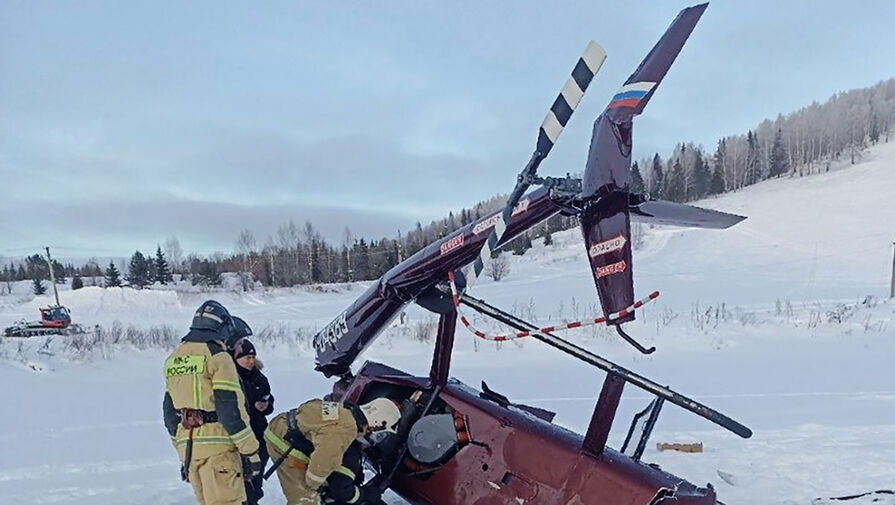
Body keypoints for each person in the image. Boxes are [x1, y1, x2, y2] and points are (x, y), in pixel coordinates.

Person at [162, 300, 263, 505]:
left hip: (190, 453)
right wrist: (251, 451)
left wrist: (182, 449)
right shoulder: (218, 357)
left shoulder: (174, 358)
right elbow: (230, 411)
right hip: (219, 452)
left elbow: (169, 413)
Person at [263, 398, 401, 505]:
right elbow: (320, 465)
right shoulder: (345, 430)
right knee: (306, 498)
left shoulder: (345, 412)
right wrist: (316, 487)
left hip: (280, 424)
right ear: (375, 424)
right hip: (283, 444)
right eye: (379, 434)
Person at [229, 322, 274, 503]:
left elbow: (270, 401)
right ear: (236, 358)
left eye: (252, 357)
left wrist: (266, 405)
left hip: (259, 434)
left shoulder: (260, 378)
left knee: (256, 476)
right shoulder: (230, 377)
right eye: (246, 357)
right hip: (240, 435)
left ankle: (254, 497)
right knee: (243, 479)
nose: (250, 360)